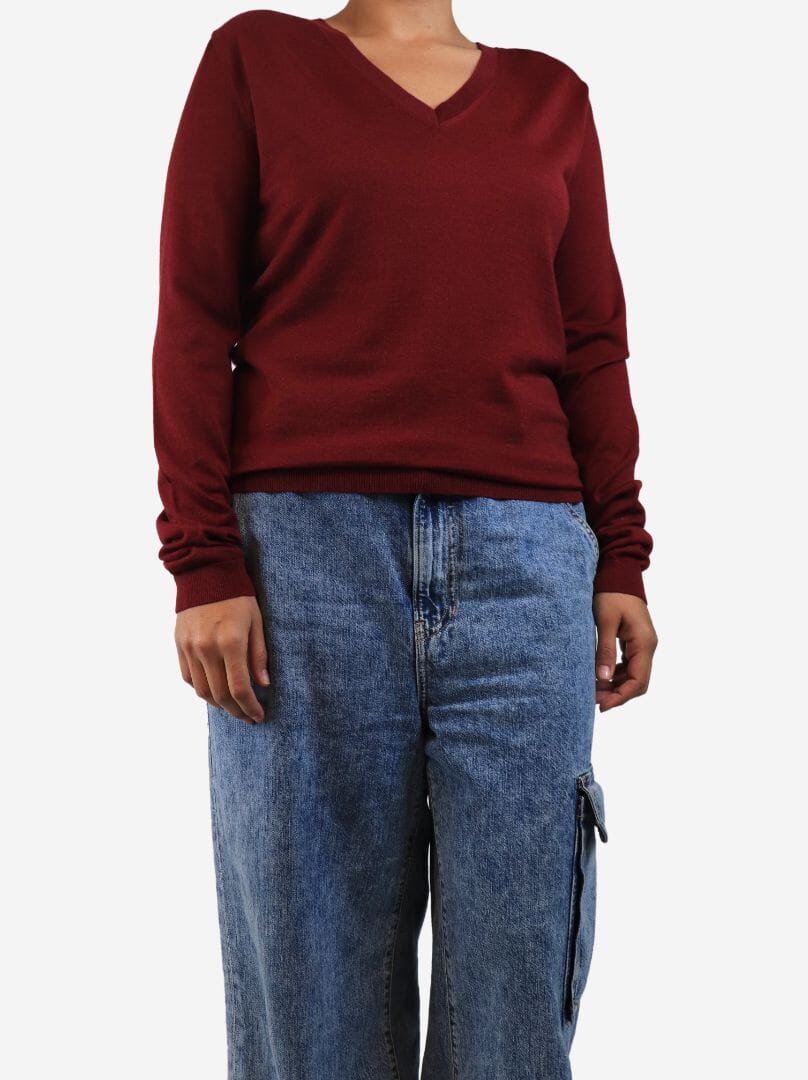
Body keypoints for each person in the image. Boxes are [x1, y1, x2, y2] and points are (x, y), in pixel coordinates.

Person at [151, 3, 658, 1077]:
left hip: (529, 566)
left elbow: (593, 344)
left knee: (515, 1013)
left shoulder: (552, 97)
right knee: (313, 1010)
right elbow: (196, 316)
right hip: (303, 570)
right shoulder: (257, 61)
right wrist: (202, 557)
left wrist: (622, 551)